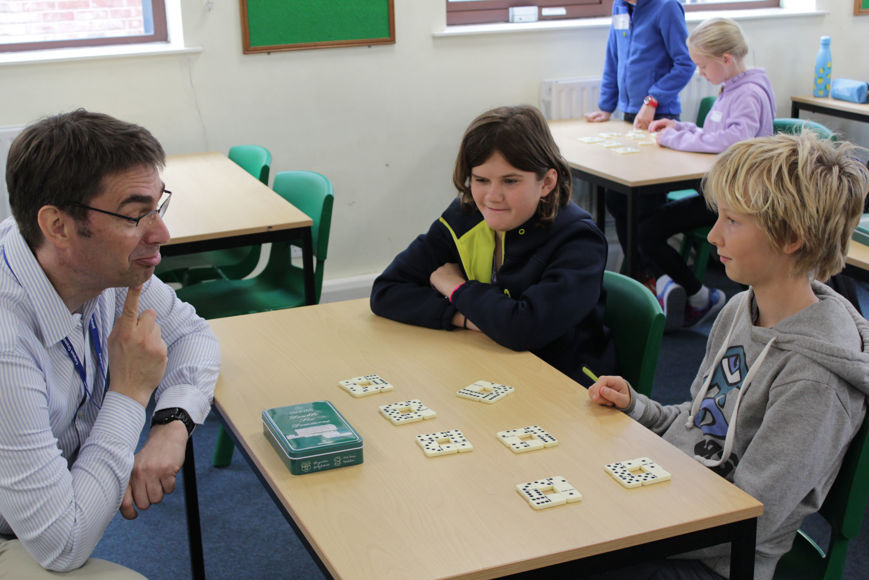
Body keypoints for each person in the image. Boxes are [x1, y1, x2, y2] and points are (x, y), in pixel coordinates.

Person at [587, 131, 869, 580]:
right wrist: (638, 408)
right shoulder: (741, 308)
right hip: (675, 507)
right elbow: (703, 421)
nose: (714, 235)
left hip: (717, 560)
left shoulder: (815, 380)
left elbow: (749, 519)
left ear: (791, 237)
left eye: (732, 221)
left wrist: (623, 523)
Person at [0, 110, 220, 576]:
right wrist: (131, 393)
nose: (160, 233)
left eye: (158, 208)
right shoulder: (6, 339)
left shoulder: (99, 266)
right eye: (135, 216)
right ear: (58, 226)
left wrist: (172, 423)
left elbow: (192, 335)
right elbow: (63, 545)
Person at [370, 105, 616, 386]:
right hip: (490, 368)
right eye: (481, 180)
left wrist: (455, 287)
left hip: (565, 383)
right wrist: (466, 318)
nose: (492, 196)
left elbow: (524, 330)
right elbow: (386, 291)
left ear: (547, 182)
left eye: (510, 181)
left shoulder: (578, 240)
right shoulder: (465, 216)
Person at [643, 17, 776, 331]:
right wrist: (680, 127)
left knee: (647, 230)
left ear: (726, 59)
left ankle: (698, 295)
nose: (700, 73)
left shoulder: (748, 93)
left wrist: (675, 139)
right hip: (721, 191)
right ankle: (687, 292)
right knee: (645, 223)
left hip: (740, 199)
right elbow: (715, 132)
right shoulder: (731, 88)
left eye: (703, 66)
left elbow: (733, 141)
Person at [584, 0, 696, 286]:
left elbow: (685, 63)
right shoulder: (620, 7)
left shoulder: (667, 7)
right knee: (616, 199)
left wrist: (653, 99)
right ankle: (643, 274)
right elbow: (614, 56)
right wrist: (606, 106)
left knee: (645, 207)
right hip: (630, 115)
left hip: (660, 115)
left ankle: (658, 280)